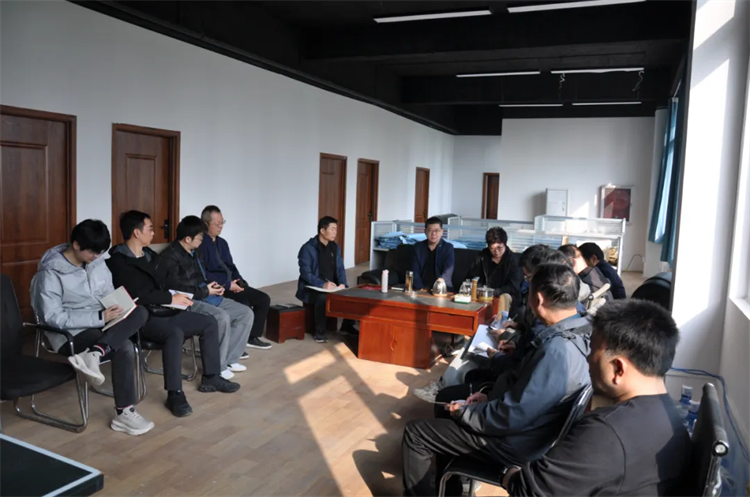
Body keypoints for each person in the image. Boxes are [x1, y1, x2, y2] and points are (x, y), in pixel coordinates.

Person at [402, 263, 592, 497]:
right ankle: (452, 490)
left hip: (513, 442)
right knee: (447, 409)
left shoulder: (557, 351)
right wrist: (488, 397)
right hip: (531, 431)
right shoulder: (580, 332)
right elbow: (527, 397)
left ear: (538, 299)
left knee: (415, 433)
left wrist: (467, 413)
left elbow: (513, 414)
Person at [503, 299, 691, 495]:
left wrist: (507, 473)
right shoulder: (675, 420)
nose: (588, 358)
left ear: (618, 368)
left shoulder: (606, 432)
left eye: (592, 350)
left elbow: (529, 491)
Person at [107, 211, 240, 417]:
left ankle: (211, 377)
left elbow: (164, 283)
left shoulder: (149, 255)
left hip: (166, 309)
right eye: (150, 229)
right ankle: (175, 393)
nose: (153, 233)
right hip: (142, 316)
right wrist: (171, 298)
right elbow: (137, 295)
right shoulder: (118, 262)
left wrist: (177, 297)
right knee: (174, 333)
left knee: (209, 322)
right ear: (136, 232)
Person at [30, 220, 154, 436]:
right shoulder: (50, 273)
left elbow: (107, 291)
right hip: (70, 333)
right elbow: (53, 317)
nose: (96, 257)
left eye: (100, 253)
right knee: (124, 347)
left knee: (140, 311)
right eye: (92, 252)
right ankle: (124, 413)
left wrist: (119, 306)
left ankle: (95, 353)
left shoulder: (97, 262)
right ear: (76, 245)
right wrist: (98, 317)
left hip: (103, 322)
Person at [155, 216, 253, 380]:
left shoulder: (195, 252)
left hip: (205, 294)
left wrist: (214, 287)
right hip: (187, 300)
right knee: (221, 317)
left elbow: (201, 277)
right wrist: (205, 291)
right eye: (200, 237)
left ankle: (230, 359)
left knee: (245, 313)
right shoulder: (169, 257)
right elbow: (175, 288)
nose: (202, 240)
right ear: (188, 239)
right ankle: (218, 367)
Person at [200, 205, 272, 351]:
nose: (221, 226)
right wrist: (227, 285)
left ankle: (251, 337)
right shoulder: (200, 244)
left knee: (263, 299)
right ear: (206, 224)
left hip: (232, 283)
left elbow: (231, 266)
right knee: (243, 304)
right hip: (218, 288)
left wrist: (238, 280)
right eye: (217, 223)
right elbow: (204, 273)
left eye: (222, 222)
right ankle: (233, 344)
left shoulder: (222, 243)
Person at [296, 216, 357, 343]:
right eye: (332, 229)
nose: (335, 232)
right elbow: (305, 273)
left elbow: (340, 268)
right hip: (312, 287)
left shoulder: (335, 247)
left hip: (333, 286)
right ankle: (319, 331)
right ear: (322, 231)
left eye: (336, 229)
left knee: (352, 295)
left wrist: (342, 284)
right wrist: (322, 284)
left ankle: (347, 326)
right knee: (323, 298)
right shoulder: (307, 248)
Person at [466, 227, 523, 301]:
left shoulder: (513, 260)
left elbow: (514, 286)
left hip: (505, 295)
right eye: (492, 248)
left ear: (505, 244)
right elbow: (472, 277)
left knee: (503, 298)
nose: (496, 251)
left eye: (500, 248)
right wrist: (481, 290)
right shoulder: (482, 257)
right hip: (483, 294)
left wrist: (494, 292)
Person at [412, 217, 455, 292]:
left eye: (437, 230)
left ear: (442, 232)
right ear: (425, 231)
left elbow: (447, 273)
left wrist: (437, 289)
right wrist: (420, 289)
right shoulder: (418, 247)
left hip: (441, 289)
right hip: (421, 287)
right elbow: (415, 272)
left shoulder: (448, 248)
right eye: (430, 230)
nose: (433, 233)